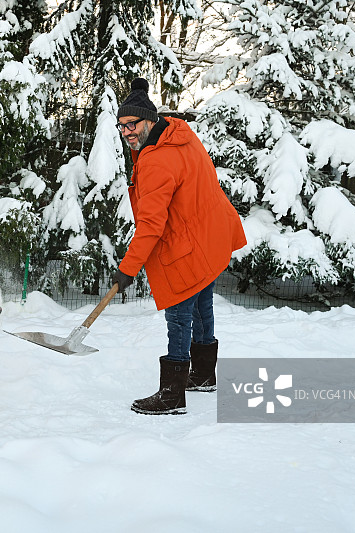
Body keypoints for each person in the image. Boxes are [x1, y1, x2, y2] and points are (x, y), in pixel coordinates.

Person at [110, 77, 246, 416]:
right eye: (122, 125)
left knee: (179, 315)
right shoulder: (181, 135)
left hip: (189, 244)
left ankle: (172, 395)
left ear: (150, 120)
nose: (127, 131)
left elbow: (151, 225)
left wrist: (128, 268)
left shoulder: (156, 160)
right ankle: (202, 375)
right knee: (202, 305)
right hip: (212, 237)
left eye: (133, 123)